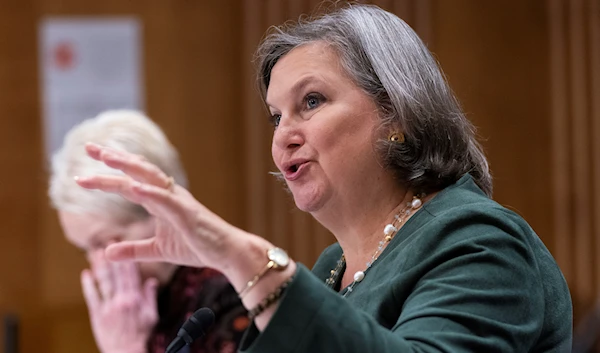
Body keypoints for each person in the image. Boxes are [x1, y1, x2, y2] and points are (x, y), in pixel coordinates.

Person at [74, 4, 573, 353]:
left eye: (311, 102)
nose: (283, 136)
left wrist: (243, 259)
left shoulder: (480, 243)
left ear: (398, 111)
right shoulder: (332, 269)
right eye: (275, 117)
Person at [48, 110, 248, 353]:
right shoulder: (130, 311)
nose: (97, 266)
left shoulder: (233, 301)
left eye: (105, 243)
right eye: (84, 250)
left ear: (160, 212)